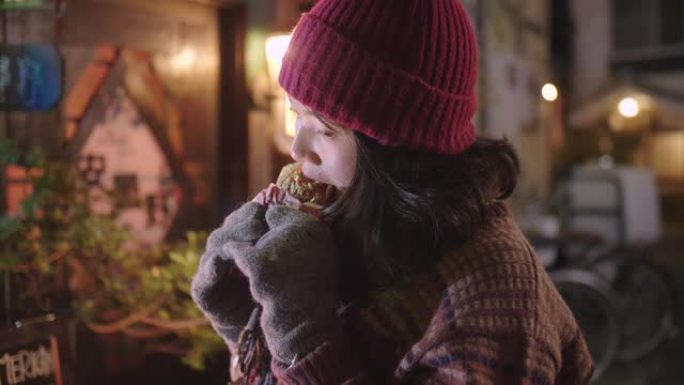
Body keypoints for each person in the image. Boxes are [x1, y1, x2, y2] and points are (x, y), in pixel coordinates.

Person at [191, 0, 595, 384]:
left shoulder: (490, 310)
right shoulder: (362, 230)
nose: (297, 150)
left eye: (325, 129)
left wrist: (304, 339)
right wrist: (240, 317)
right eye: (296, 114)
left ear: (393, 150)